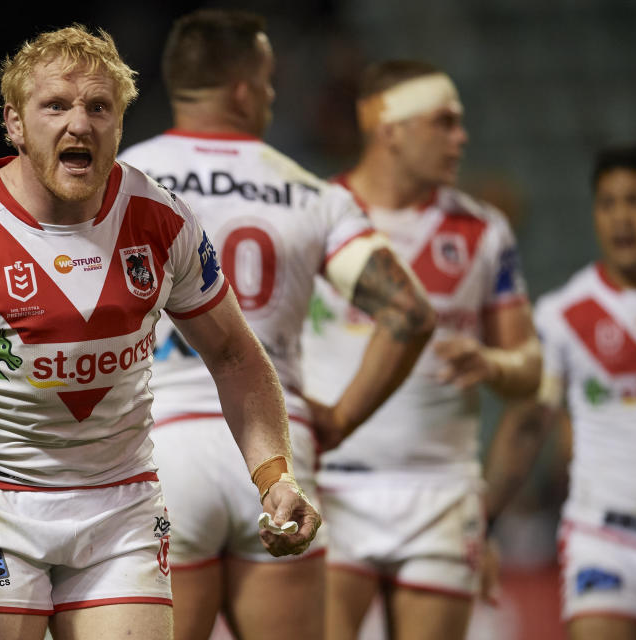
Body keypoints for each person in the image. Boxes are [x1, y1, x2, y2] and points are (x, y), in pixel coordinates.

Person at [0, 25, 322, 640]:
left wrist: (276, 477)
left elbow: (233, 353)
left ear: (119, 121)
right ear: (13, 123)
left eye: (98, 107)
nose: (79, 124)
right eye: (55, 105)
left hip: (121, 509)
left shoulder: (161, 219)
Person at [119, 13, 436, 640]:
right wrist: (340, 418)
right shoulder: (311, 192)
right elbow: (410, 313)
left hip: (158, 450)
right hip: (276, 455)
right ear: (242, 87)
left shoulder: (120, 181)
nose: (270, 96)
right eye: (267, 83)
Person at [300, 59, 542, 639]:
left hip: (441, 491)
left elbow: (529, 369)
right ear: (391, 128)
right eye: (444, 122)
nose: (462, 137)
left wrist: (493, 363)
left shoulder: (483, 232)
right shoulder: (312, 214)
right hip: (332, 486)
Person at [488, 145, 636, 640]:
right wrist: (479, 521)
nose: (621, 218)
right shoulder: (565, 315)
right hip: (608, 541)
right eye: (607, 204)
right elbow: (528, 425)